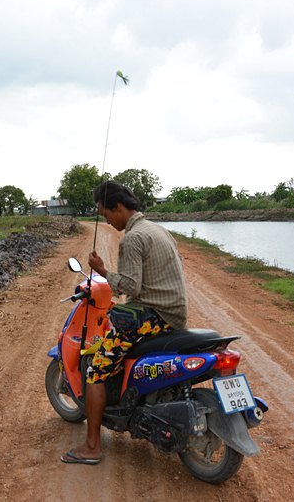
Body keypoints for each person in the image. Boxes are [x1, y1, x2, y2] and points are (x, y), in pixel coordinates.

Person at [61, 181, 187, 465]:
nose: (105, 218)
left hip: (155, 315)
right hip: (175, 314)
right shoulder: (158, 230)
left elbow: (129, 287)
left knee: (96, 369)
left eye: (105, 212)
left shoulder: (133, 238)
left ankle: (92, 446)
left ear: (118, 208)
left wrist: (102, 270)